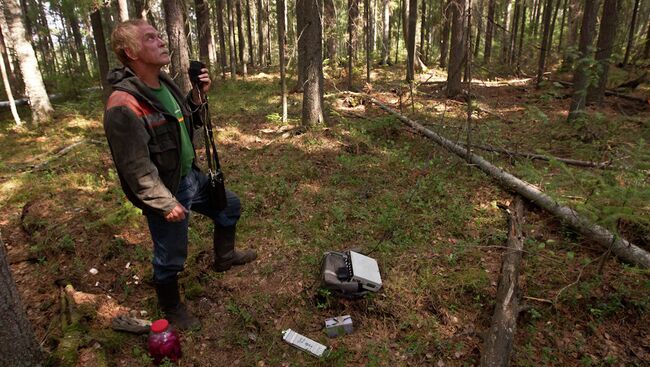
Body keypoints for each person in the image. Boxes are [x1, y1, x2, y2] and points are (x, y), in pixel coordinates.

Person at [103, 20, 257, 330]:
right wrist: (163, 202)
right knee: (171, 254)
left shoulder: (164, 84)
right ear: (130, 52)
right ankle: (171, 307)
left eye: (159, 35)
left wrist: (198, 97)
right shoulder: (124, 105)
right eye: (150, 38)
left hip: (190, 177)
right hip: (167, 189)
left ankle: (224, 258)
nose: (161, 41)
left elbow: (186, 124)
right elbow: (135, 167)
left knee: (229, 206)